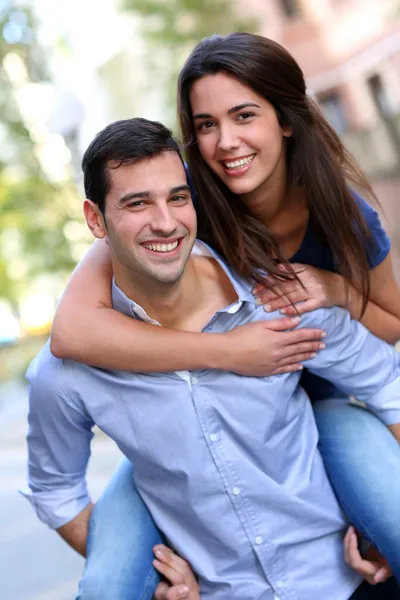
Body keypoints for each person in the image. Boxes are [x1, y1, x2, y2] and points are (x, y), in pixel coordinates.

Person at [49, 33, 400, 594]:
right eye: (205, 124)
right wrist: (231, 352)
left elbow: (391, 325)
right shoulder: (180, 202)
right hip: (194, 432)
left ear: (285, 119)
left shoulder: (340, 210)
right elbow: (70, 331)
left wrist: (332, 288)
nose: (224, 141)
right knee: (109, 585)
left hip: (320, 404)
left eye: (243, 115)